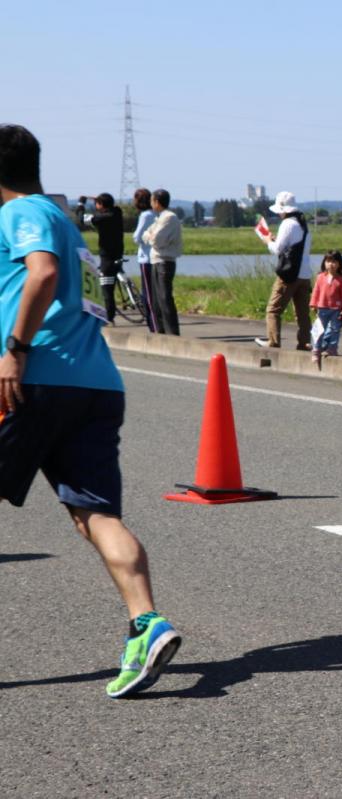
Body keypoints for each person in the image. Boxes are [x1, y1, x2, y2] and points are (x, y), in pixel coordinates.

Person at [0, 124, 181, 698]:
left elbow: (43, 274)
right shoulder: (59, 214)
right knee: (94, 513)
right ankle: (147, 622)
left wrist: (15, 350)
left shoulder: (21, 213)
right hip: (96, 382)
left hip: (35, 379)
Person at [256, 190, 313, 350]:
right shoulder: (303, 224)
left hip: (289, 275)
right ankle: (304, 342)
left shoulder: (287, 224)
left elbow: (278, 250)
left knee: (273, 309)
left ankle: (273, 341)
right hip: (305, 274)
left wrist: (268, 240)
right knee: (302, 313)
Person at [140, 188, 181, 335]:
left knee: (164, 298)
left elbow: (156, 240)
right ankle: (161, 332)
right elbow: (145, 235)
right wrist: (150, 236)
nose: (151, 203)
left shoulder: (169, 217)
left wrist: (150, 236)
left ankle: (172, 332)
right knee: (157, 300)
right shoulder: (160, 217)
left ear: (157, 202)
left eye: (152, 200)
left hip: (165, 261)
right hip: (156, 260)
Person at [309, 250, 342, 364]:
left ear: (339, 264)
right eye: (328, 261)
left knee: (334, 330)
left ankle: (332, 349)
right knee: (319, 330)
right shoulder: (320, 277)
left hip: (336, 309)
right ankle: (316, 350)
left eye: (334, 262)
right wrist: (313, 304)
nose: (331, 264)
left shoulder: (340, 280)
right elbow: (316, 291)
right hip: (322, 308)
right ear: (324, 263)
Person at [89, 192, 124, 323]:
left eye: (97, 204)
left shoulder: (102, 218)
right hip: (118, 255)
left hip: (107, 258)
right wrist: (99, 200)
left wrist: (81, 204)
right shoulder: (117, 213)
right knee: (111, 286)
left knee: (107, 290)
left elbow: (84, 218)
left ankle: (108, 317)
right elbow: (112, 208)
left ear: (101, 205)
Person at [130, 188, 158, 332]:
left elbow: (137, 236)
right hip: (156, 258)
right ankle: (157, 324)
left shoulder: (145, 215)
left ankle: (153, 326)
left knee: (147, 294)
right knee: (156, 293)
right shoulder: (156, 213)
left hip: (146, 258)